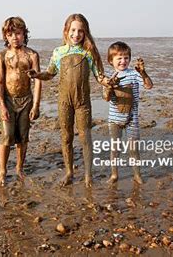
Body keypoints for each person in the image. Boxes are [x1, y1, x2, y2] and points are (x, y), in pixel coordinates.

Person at [27, 13, 114, 187]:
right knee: (66, 137)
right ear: (66, 31)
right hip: (64, 102)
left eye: (81, 31)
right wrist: (37, 75)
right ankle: (69, 172)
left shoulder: (89, 52)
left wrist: (109, 82)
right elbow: (50, 73)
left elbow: (99, 76)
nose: (76, 34)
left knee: (85, 137)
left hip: (83, 102)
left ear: (86, 33)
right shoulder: (58, 52)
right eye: (73, 30)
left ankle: (88, 175)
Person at [0, 17, 41, 186]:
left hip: (26, 100)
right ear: (6, 36)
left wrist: (35, 105)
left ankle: (19, 168)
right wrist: (2, 105)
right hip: (8, 99)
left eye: (18, 33)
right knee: (6, 136)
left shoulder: (32, 55)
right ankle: (2, 171)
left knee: (22, 137)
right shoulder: (2, 56)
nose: (15, 37)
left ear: (24, 34)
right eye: (10, 34)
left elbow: (37, 82)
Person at [102, 41, 153, 184]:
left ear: (129, 59)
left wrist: (143, 72)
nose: (123, 61)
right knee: (115, 149)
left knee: (133, 149)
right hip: (114, 120)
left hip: (132, 119)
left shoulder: (134, 74)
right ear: (111, 61)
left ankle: (137, 175)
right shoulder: (109, 78)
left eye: (126, 58)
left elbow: (148, 86)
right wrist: (109, 87)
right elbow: (106, 98)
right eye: (119, 58)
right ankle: (114, 175)